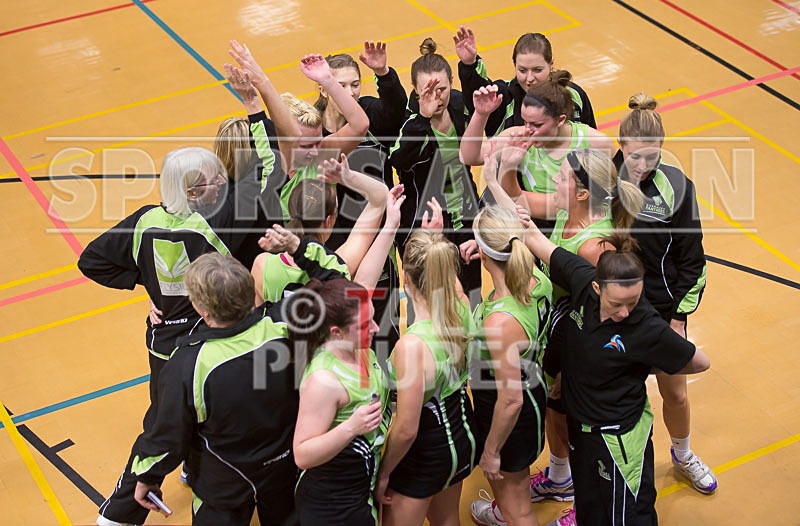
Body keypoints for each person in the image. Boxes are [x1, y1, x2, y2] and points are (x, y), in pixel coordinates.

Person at [77, 143, 285, 526]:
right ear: (192, 191)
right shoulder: (213, 225)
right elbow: (271, 171)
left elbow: (91, 260)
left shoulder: (145, 221)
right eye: (214, 180)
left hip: (161, 344)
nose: (222, 183)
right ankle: (119, 512)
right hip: (199, 346)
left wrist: (148, 285)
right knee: (163, 428)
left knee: (184, 417)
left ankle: (193, 467)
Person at [492, 176, 711, 524]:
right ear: (596, 287)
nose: (625, 313)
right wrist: (493, 178)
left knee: (626, 517)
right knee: (591, 512)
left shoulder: (645, 326)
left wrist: (641, 365)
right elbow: (532, 235)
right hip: (583, 432)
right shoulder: (581, 278)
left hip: (618, 443)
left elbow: (699, 361)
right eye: (617, 304)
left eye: (633, 302)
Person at [131, 232, 346, 525]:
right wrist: (298, 246)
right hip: (284, 469)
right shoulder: (286, 323)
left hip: (223, 485)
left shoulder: (188, 364)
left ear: (201, 309)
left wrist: (148, 476)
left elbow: (168, 432)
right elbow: (338, 279)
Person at [485, 147, 644, 526]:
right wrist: (493, 178)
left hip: (581, 348)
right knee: (556, 415)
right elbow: (521, 211)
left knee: (578, 431)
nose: (554, 179)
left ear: (583, 193)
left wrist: (570, 369)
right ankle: (560, 478)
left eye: (561, 177)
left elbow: (604, 319)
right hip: (559, 337)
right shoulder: (567, 211)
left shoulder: (594, 247)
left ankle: (582, 505)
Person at [615, 93, 717, 494]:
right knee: (615, 397)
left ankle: (683, 454)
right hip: (612, 308)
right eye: (634, 156)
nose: (642, 165)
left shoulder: (677, 187)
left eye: (652, 156)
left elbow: (694, 262)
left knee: (675, 394)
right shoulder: (602, 181)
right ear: (621, 146)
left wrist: (678, 319)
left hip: (660, 311)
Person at [374, 230, 478, 526]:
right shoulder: (460, 306)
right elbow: (451, 282)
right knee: (447, 519)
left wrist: (384, 473)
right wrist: (435, 239)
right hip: (463, 436)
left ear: (405, 277)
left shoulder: (412, 347)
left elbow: (407, 429)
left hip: (426, 452)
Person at [314, 42, 408, 357]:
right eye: (341, 85)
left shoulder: (370, 114)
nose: (351, 93)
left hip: (376, 235)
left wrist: (383, 73)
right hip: (335, 239)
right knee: (339, 321)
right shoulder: (312, 125)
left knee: (382, 320)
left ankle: (385, 377)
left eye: (355, 84)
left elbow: (396, 108)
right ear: (324, 88)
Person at [467, 205, 553, 526]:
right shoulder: (537, 279)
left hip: (510, 416)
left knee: (518, 510)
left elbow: (511, 400)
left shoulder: (500, 323)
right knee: (512, 497)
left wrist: (491, 450)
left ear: (484, 255)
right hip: (534, 392)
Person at [289, 278, 392, 526]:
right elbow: (302, 455)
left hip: (362, 481)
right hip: (332, 499)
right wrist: (351, 427)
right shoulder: (323, 381)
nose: (376, 328)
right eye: (366, 325)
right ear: (336, 332)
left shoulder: (361, 349)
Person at [389, 37, 482, 303]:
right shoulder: (410, 120)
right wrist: (423, 117)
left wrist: (472, 63)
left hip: (465, 217)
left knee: (471, 297)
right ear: (415, 90)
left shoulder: (459, 104)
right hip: (427, 225)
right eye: (427, 91)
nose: (436, 97)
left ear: (451, 83)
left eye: (442, 89)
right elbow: (398, 158)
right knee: (431, 302)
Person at [459, 79, 611, 234]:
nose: (528, 130)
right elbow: (469, 157)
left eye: (536, 125)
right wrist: (481, 115)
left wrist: (506, 170)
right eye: (525, 122)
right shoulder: (520, 136)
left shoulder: (595, 142)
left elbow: (612, 196)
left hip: (580, 229)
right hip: (535, 222)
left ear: (560, 120)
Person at [251, 155, 392, 304]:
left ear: (292, 212)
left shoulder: (262, 265)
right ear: (329, 221)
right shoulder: (336, 266)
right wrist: (348, 178)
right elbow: (381, 197)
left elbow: (259, 316)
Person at [455, 27, 596, 137]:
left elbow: (592, 142)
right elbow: (478, 95)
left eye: (537, 70)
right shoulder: (503, 97)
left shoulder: (573, 95)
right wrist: (469, 65)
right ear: (514, 65)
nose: (529, 79)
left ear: (551, 64)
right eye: (522, 70)